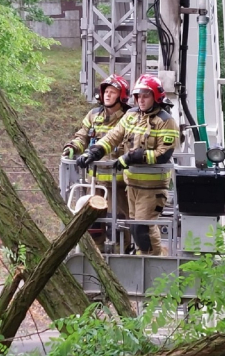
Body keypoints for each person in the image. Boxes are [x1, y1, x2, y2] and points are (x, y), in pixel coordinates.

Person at [76, 75, 179, 255]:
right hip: (131, 184)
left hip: (152, 187)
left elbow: (164, 154)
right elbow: (113, 137)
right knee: (134, 227)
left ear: (156, 97)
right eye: (138, 96)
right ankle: (142, 260)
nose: (141, 100)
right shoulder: (131, 115)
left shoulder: (166, 120)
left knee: (142, 228)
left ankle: (154, 262)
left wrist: (134, 157)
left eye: (146, 96)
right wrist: (94, 152)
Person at [62, 74, 131, 248]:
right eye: (106, 91)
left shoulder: (129, 117)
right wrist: (73, 147)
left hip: (118, 184)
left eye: (113, 92)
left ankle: (122, 252)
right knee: (93, 225)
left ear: (122, 95)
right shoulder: (93, 115)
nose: (108, 94)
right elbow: (82, 136)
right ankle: (96, 254)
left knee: (118, 223)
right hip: (94, 182)